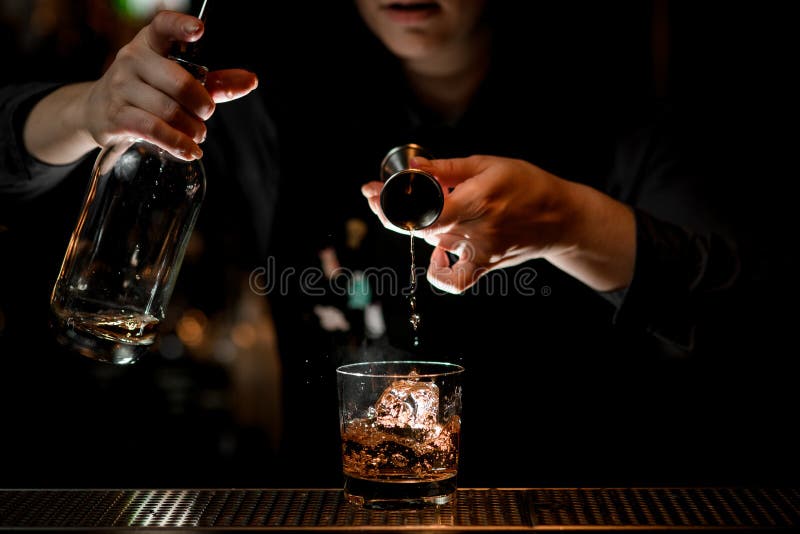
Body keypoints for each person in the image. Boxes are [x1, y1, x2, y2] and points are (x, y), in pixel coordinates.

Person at [0, 1, 792, 489]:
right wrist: (91, 110)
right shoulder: (274, 108)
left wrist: (571, 221)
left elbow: (753, 323)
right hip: (326, 512)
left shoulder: (623, 115)